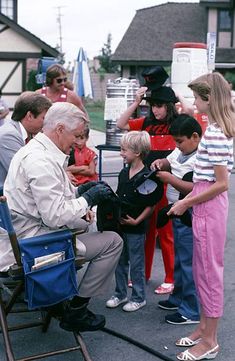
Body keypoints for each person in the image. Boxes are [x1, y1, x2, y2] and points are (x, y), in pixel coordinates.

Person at [3, 102, 123, 333]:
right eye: (76, 135)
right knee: (113, 242)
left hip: (24, 236)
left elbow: (47, 199)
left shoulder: (36, 150)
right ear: (59, 129)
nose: (79, 142)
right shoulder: (41, 160)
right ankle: (76, 310)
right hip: (36, 245)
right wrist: (88, 200)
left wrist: (81, 193)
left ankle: (58, 299)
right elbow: (55, 216)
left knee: (87, 224)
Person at [168, 72, 235, 360]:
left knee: (209, 274)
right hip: (204, 201)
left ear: (209, 98)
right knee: (200, 269)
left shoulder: (218, 132)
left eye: (197, 97)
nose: (193, 103)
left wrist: (186, 203)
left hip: (208, 203)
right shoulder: (215, 128)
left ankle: (210, 340)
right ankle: (203, 328)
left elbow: (221, 183)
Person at [117, 73, 194, 294]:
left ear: (169, 106)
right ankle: (144, 274)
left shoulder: (178, 124)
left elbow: (190, 113)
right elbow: (121, 123)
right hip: (146, 185)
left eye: (160, 106)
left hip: (168, 184)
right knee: (147, 231)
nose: (155, 110)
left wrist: (177, 95)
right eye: (152, 106)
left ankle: (170, 277)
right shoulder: (145, 124)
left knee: (166, 231)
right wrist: (136, 101)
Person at [151, 114, 201, 326]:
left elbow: (197, 189)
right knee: (180, 260)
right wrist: (160, 162)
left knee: (189, 264)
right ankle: (179, 298)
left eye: (180, 141)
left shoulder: (200, 158)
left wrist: (170, 179)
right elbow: (169, 161)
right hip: (177, 214)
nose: (177, 146)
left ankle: (191, 310)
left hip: (189, 215)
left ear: (195, 137)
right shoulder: (181, 151)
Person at [106, 131, 162, 312]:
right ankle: (120, 293)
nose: (121, 153)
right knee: (119, 260)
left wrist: (137, 220)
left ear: (137, 152)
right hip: (120, 225)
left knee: (137, 262)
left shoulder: (148, 176)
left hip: (136, 228)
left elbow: (151, 204)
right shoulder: (124, 172)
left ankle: (139, 297)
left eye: (124, 150)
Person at [0, 91, 52, 187]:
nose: (47, 123)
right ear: (29, 116)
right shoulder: (9, 135)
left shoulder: (26, 133)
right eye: (44, 118)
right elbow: (23, 174)